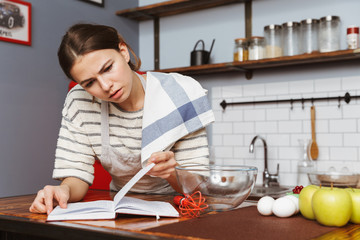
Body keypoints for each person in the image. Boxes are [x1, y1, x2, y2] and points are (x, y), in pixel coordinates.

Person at [29, 23, 214, 214]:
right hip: (120, 207)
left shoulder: (180, 94)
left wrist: (172, 173)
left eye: (107, 68)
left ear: (123, 52)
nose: (106, 85)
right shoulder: (80, 101)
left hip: (178, 207)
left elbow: (197, 186)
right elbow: (77, 174)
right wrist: (63, 190)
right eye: (90, 82)